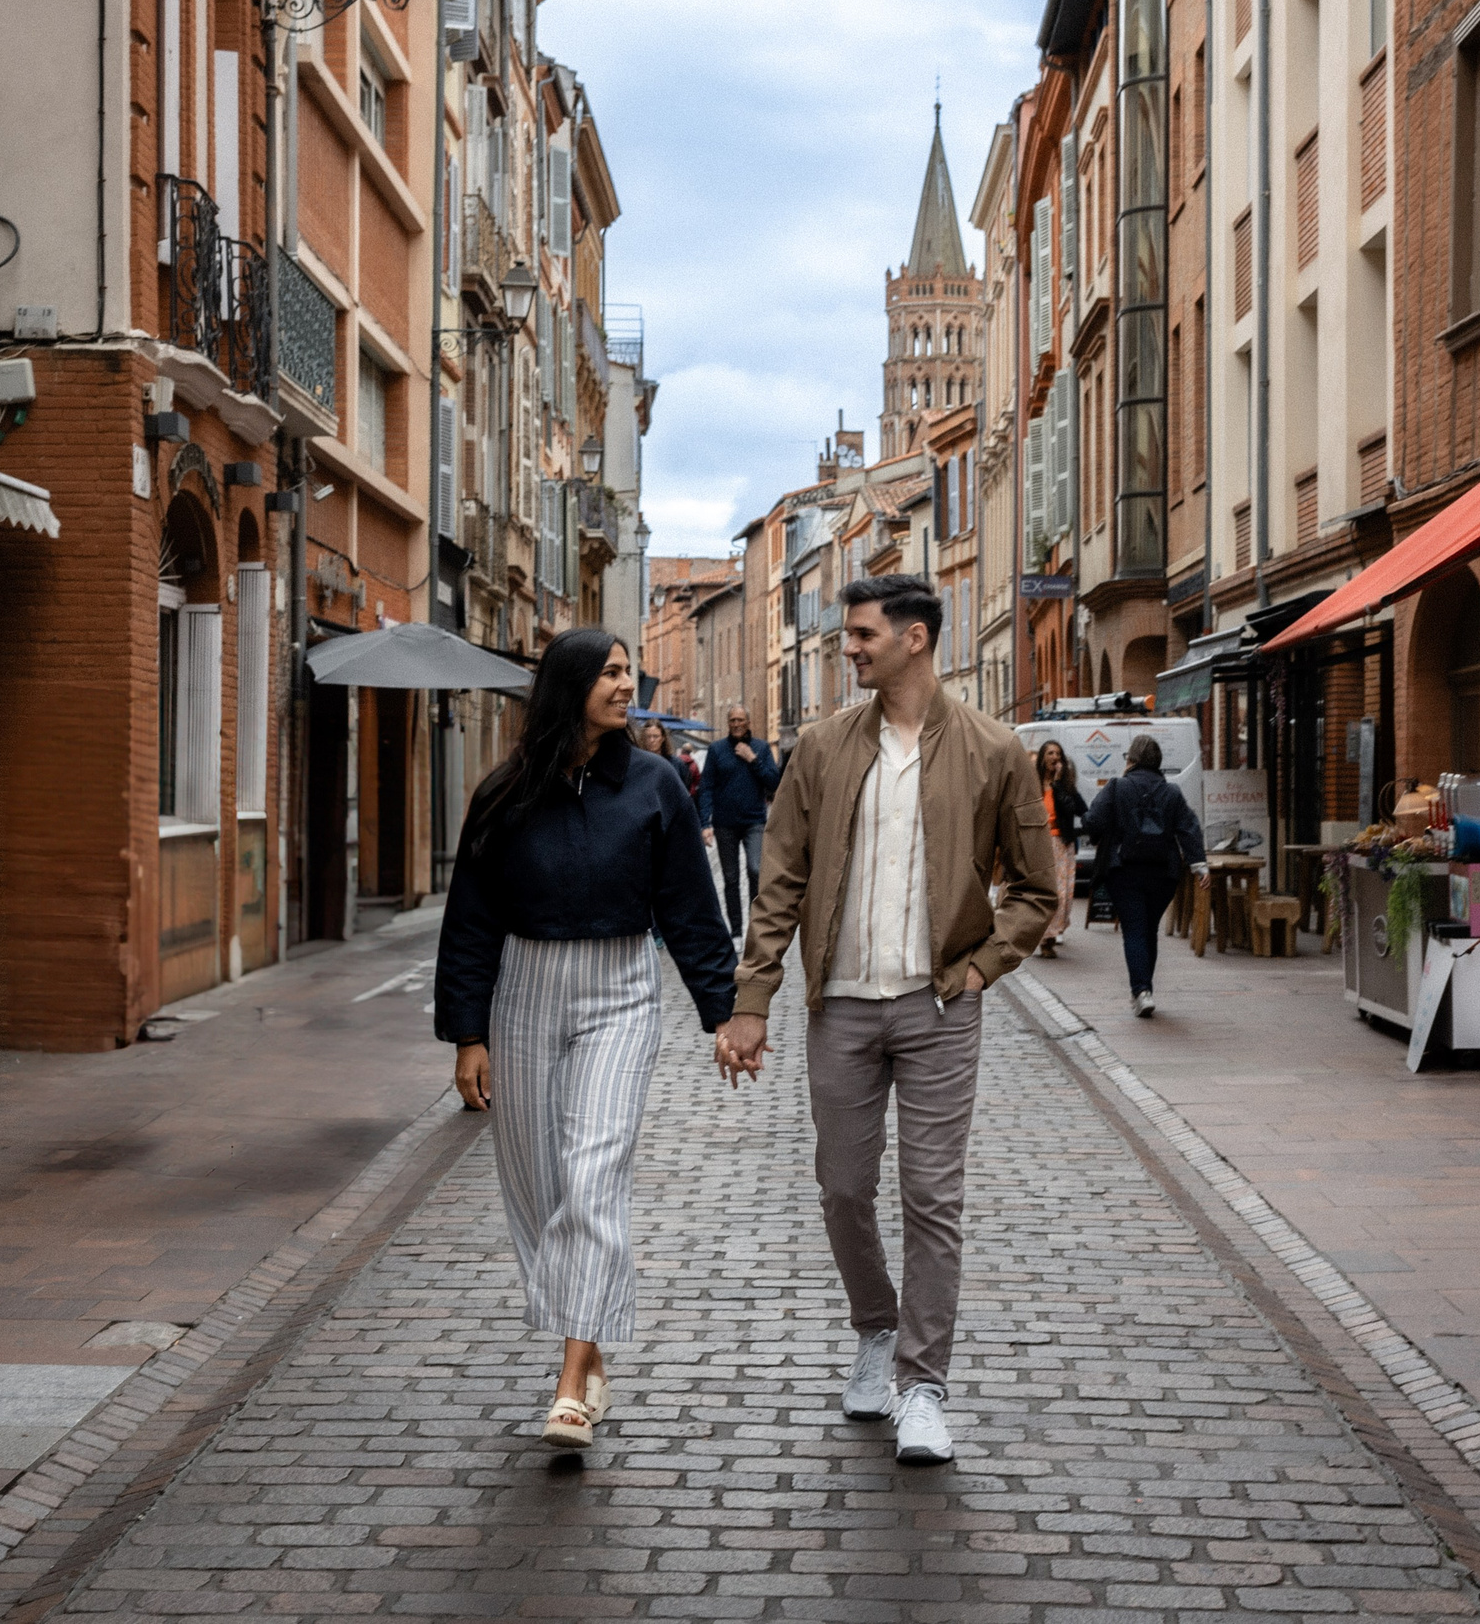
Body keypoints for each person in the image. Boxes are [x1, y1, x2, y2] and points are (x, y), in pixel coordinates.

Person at [715, 575, 1056, 1466]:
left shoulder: (993, 749)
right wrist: (753, 1000)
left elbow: (1036, 888)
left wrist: (980, 968)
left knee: (933, 1196)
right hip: (842, 1006)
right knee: (842, 1185)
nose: (850, 648)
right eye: (848, 634)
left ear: (914, 637)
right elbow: (780, 880)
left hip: (939, 1007)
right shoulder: (822, 748)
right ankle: (875, 1325)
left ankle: (924, 1385)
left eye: (864, 634)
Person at [437, 630, 738, 1451]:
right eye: (609, 671)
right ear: (570, 684)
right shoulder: (504, 792)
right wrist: (468, 1032)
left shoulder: (654, 784)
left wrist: (725, 1011)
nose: (625, 683)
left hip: (619, 989)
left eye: (627, 670)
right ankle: (591, 1344)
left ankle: (570, 1386)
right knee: (538, 1188)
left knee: (592, 1176)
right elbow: (470, 920)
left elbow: (690, 907)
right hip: (524, 991)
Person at [1084, 734, 1206, 1018]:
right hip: (1163, 873)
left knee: (1135, 930)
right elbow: (1189, 827)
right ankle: (1144, 989)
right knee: (1149, 929)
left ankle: (1141, 991)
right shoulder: (1172, 792)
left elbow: (1093, 820)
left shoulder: (1117, 787)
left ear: (1131, 759)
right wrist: (1200, 866)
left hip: (1124, 871)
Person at [699, 704, 781, 937]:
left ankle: (755, 927)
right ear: (728, 723)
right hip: (724, 823)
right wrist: (705, 824)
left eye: (740, 720)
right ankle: (736, 932)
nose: (736, 724)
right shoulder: (716, 750)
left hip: (754, 821)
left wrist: (753, 760)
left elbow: (774, 782)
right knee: (731, 878)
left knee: (756, 869)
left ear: (748, 722)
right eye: (732, 720)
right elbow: (706, 788)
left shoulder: (761, 748)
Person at [1034, 740, 1088, 956]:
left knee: (1062, 895)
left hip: (1061, 844)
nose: (1054, 757)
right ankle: (1044, 939)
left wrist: (1057, 784)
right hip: (1038, 844)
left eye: (1058, 754)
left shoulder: (1065, 787)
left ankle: (1051, 935)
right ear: (1042, 758)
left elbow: (1081, 810)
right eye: (1050, 753)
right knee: (1042, 893)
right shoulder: (1032, 785)